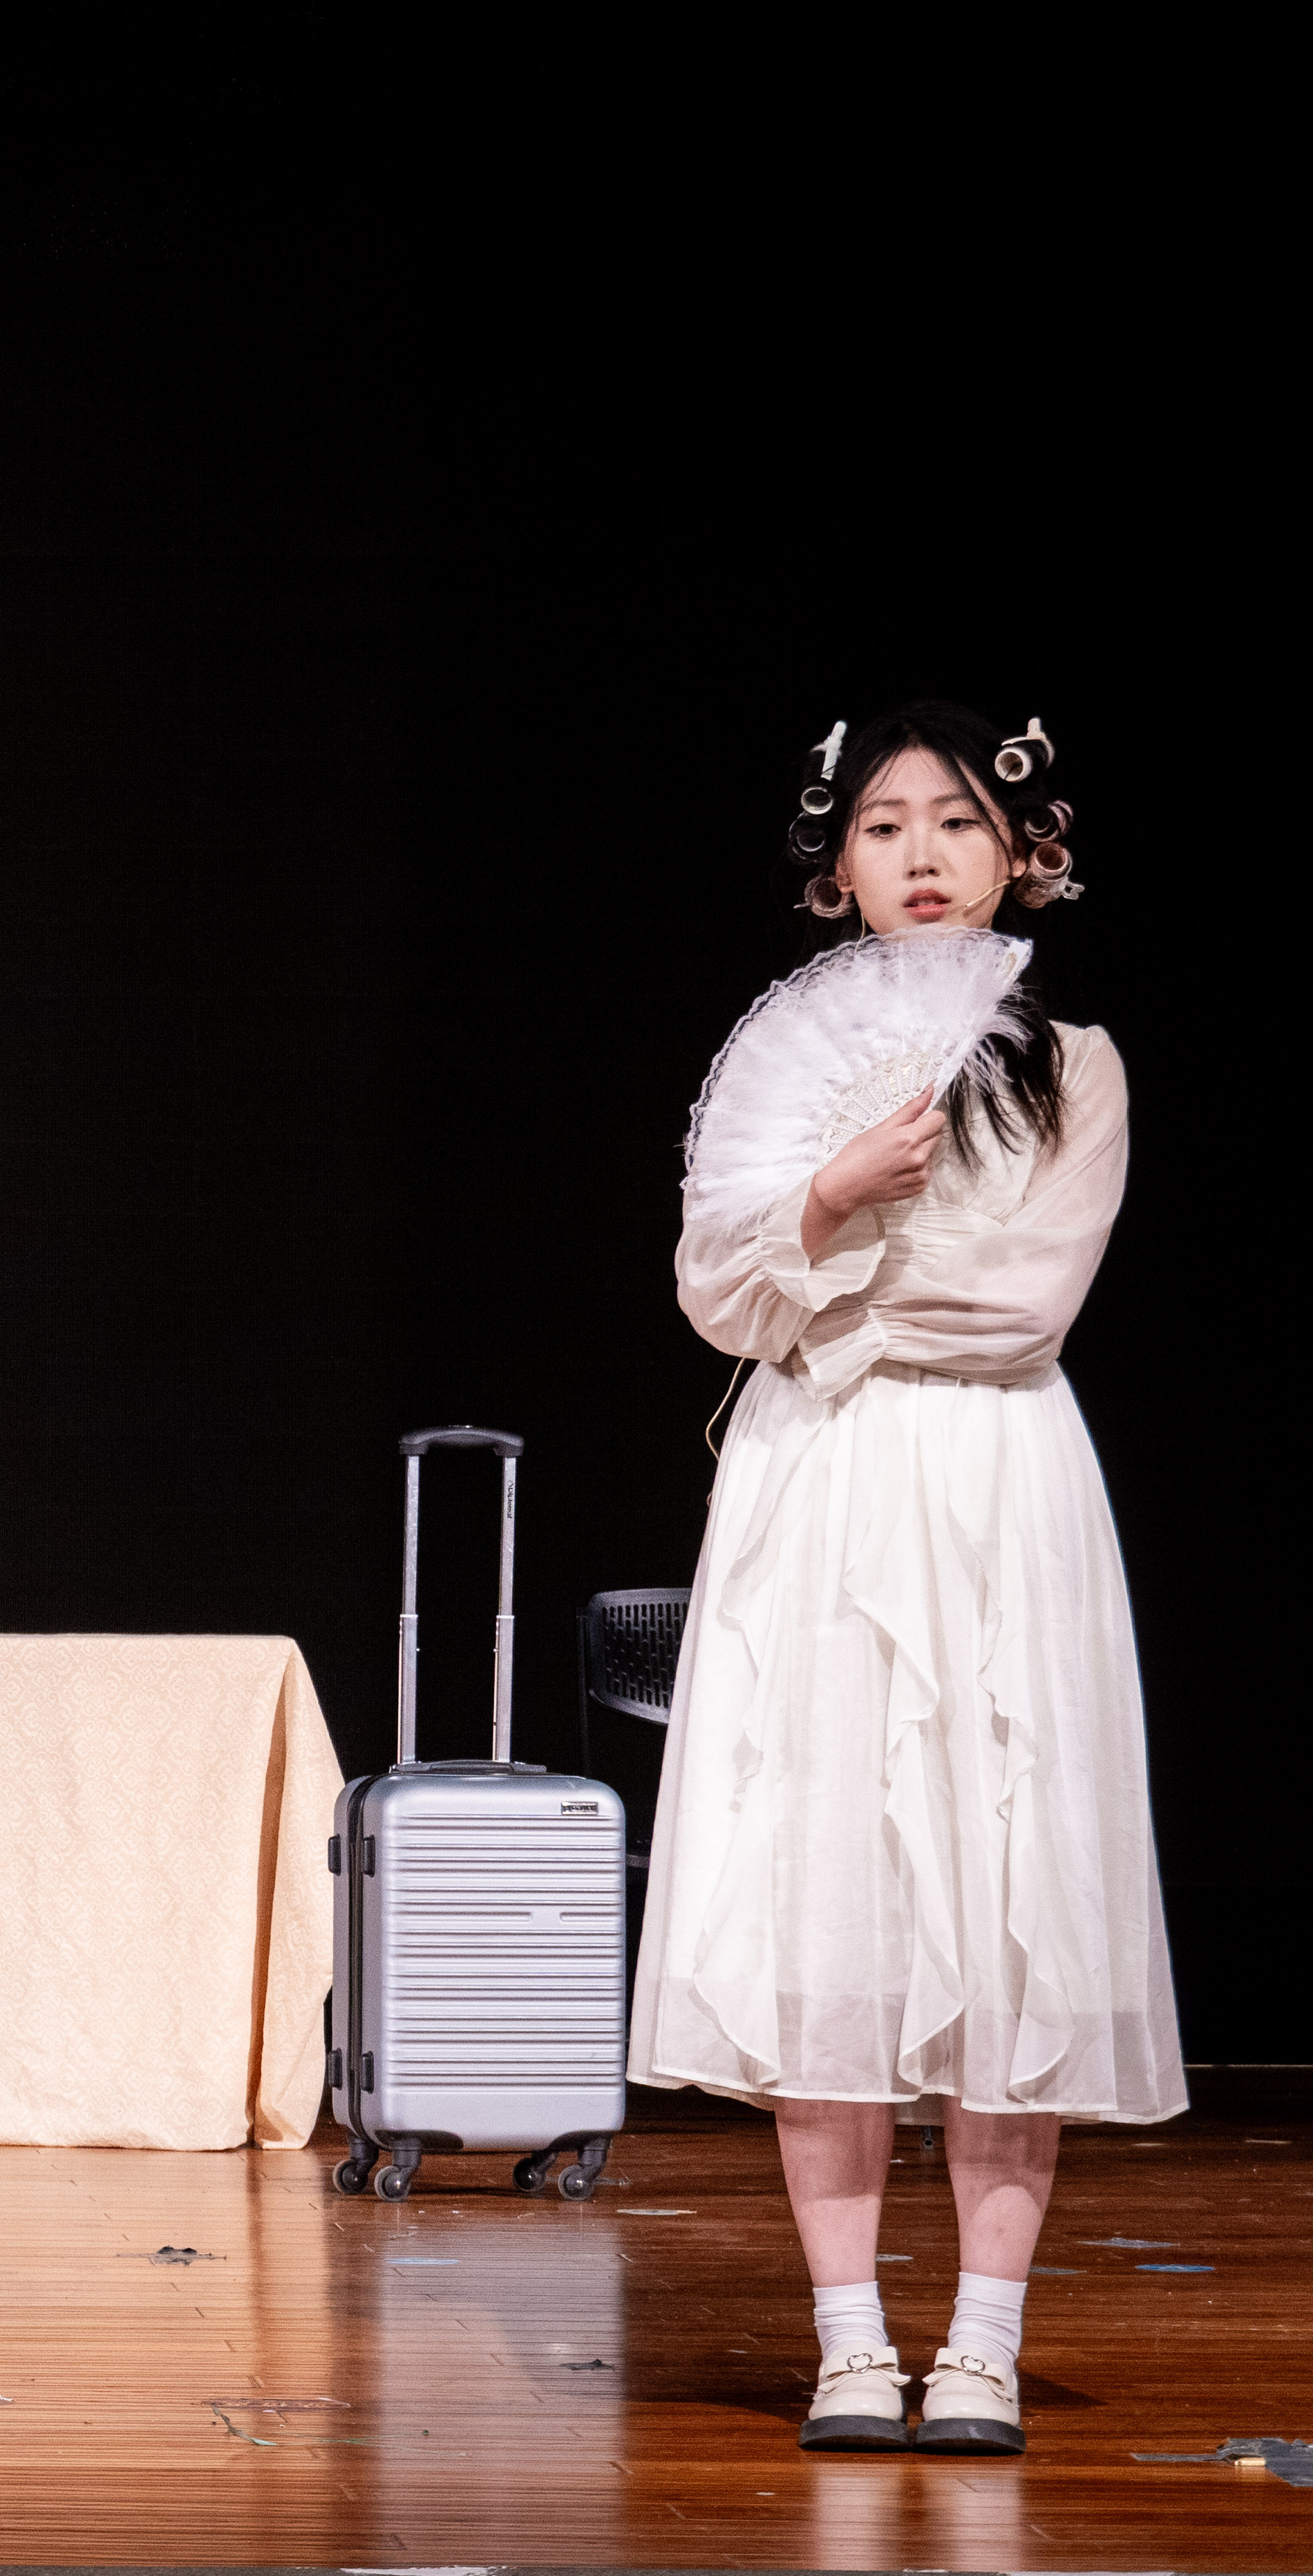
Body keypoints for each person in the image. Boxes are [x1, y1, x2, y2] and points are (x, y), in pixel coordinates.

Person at [636, 701, 1166, 2462]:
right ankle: (850, 2337)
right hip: (819, 1483)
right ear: (836, 868)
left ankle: (986, 2342)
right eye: (881, 825)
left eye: (952, 820)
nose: (921, 853)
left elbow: (1018, 1305)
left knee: (1011, 1899)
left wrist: (819, 1290)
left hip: (992, 1475)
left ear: (1020, 851)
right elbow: (713, 1293)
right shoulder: (797, 1069)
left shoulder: (1073, 1064)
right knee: (831, 1900)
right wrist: (824, 1195)